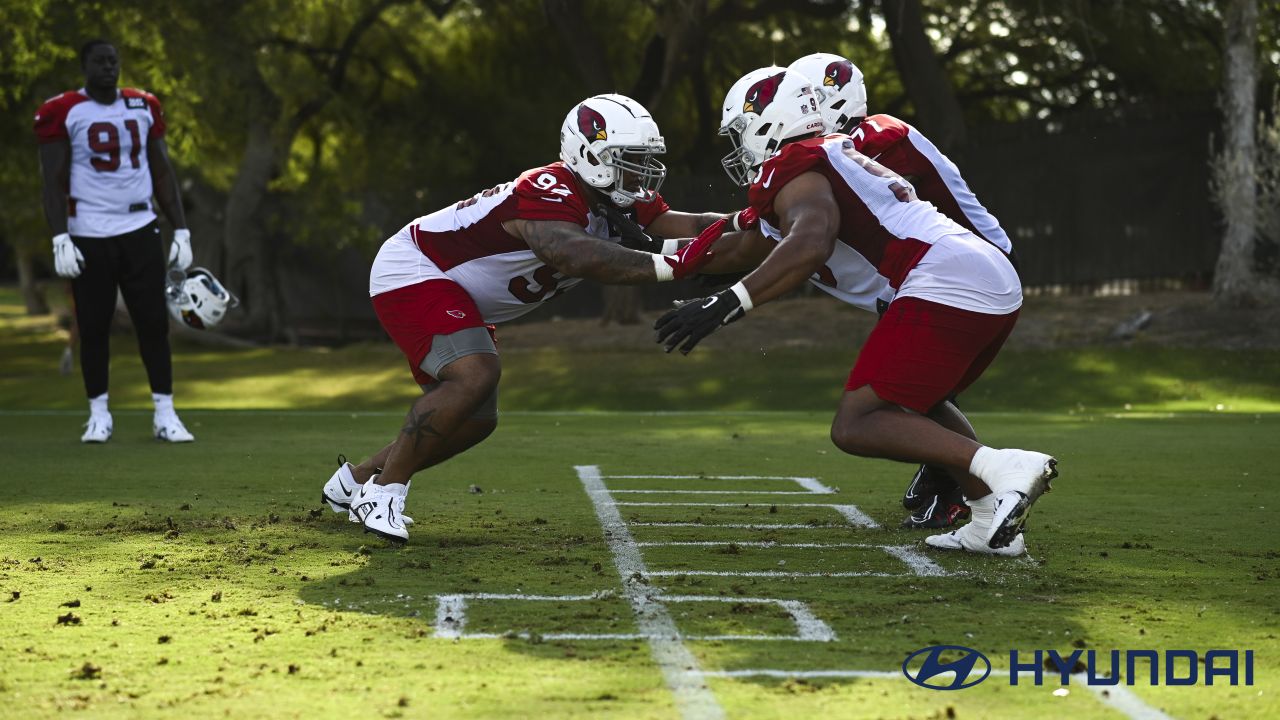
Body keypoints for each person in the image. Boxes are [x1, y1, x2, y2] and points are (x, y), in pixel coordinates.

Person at [656, 67, 1057, 555]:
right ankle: (987, 516)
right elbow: (739, 244)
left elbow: (811, 241)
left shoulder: (797, 164)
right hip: (980, 275)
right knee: (915, 401)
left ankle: (1002, 467)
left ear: (770, 121)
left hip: (945, 276)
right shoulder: (824, 156)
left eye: (741, 131)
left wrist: (729, 303)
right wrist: (644, 242)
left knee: (857, 424)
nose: (741, 148)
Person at [322, 93, 742, 543]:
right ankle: (383, 492)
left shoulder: (614, 197)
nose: (640, 173)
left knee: (477, 419)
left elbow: (693, 224)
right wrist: (673, 266)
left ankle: (357, 480)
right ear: (589, 156)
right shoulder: (548, 188)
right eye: (628, 160)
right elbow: (573, 253)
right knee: (474, 374)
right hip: (417, 268)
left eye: (643, 161)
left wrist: (753, 222)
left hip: (456, 288)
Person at [788, 52, 1019, 531]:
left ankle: (968, 485)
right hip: (930, 274)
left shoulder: (874, 139)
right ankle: (961, 483)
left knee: (900, 400)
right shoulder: (844, 148)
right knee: (908, 397)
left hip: (961, 270)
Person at [35, 39, 195, 444]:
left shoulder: (142, 105)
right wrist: (59, 236)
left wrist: (181, 228)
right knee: (92, 326)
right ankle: (98, 414)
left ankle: (165, 413)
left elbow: (162, 171)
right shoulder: (64, 110)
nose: (108, 67)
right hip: (88, 229)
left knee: (153, 323)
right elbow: (53, 182)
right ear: (84, 65)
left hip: (140, 226)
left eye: (113, 61)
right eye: (99, 61)